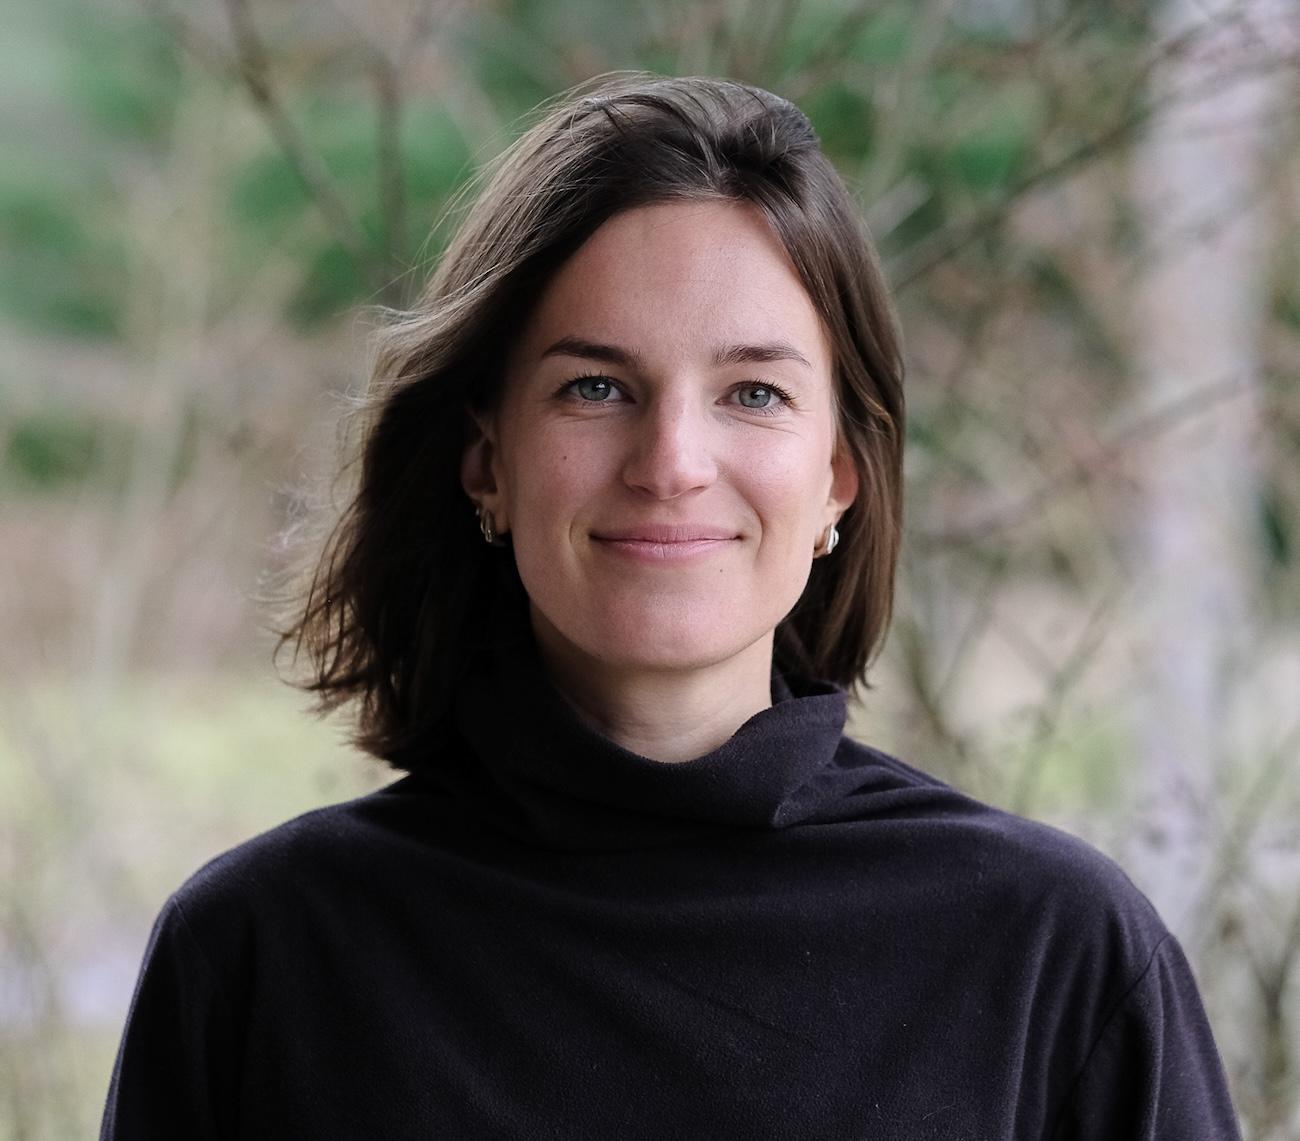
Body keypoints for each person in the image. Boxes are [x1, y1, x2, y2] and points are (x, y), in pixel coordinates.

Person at [101, 73, 1241, 1140]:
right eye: (595, 387)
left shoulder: (1053, 953)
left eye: (753, 392)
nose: (673, 460)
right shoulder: (265, 955)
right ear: (485, 460)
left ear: (838, 474)